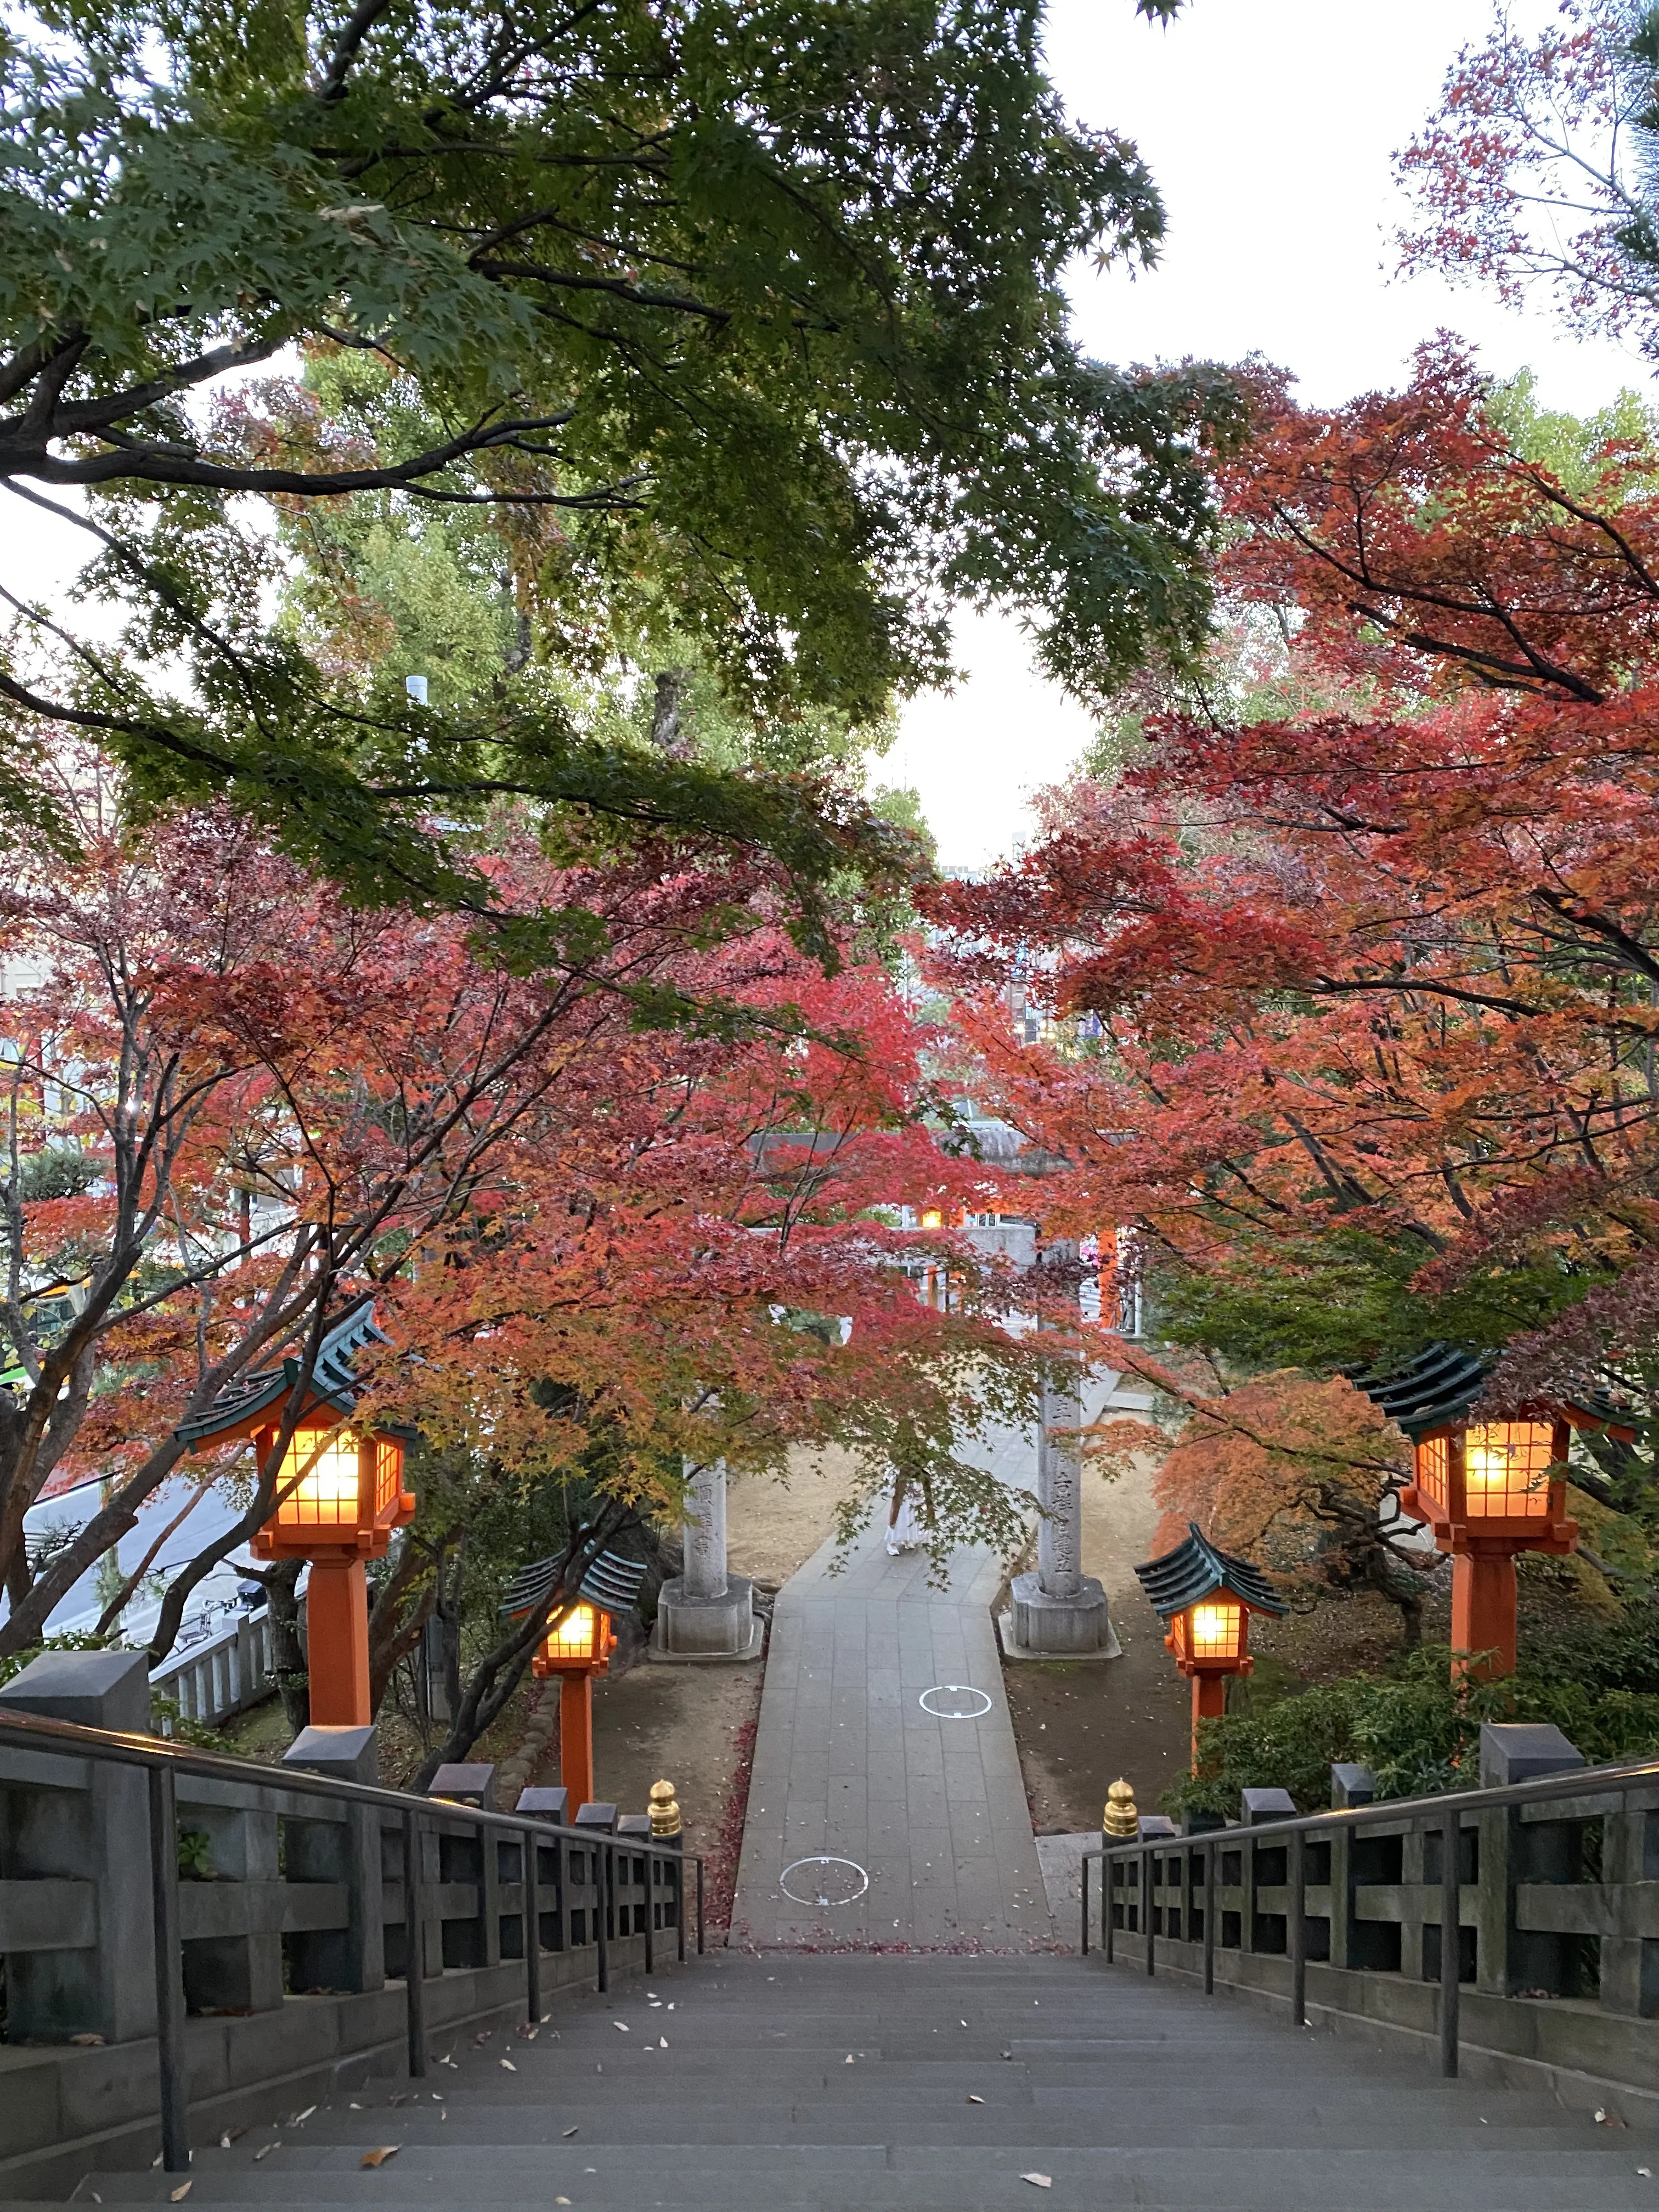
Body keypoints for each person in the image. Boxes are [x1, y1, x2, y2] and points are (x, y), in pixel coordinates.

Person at [886, 1472, 922, 1555]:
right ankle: (891, 1543)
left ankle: (908, 1538)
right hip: (901, 1489)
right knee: (898, 1516)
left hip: (913, 1486)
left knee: (911, 1514)